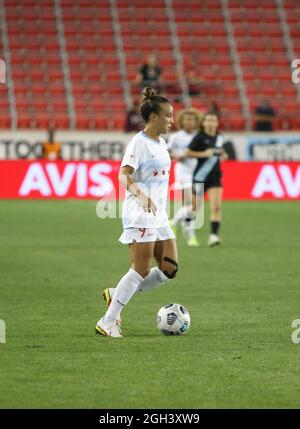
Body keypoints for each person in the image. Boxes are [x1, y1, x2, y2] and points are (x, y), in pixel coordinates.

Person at [95, 86, 178, 338]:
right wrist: (141, 195)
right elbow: (123, 174)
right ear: (154, 117)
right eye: (168, 116)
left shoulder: (161, 142)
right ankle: (108, 322)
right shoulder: (139, 143)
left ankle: (117, 292)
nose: (172, 121)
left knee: (169, 268)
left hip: (158, 214)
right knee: (140, 269)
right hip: (140, 213)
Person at [180, 113, 228, 246]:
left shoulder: (220, 137)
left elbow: (219, 151)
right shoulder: (199, 137)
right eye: (209, 120)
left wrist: (223, 154)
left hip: (215, 176)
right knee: (195, 208)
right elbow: (188, 152)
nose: (212, 122)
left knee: (217, 207)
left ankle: (213, 236)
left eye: (214, 119)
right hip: (200, 176)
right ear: (204, 123)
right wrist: (204, 154)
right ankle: (179, 220)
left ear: (217, 123)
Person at [167, 108, 202, 246]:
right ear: (182, 121)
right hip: (183, 172)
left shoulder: (199, 136)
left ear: (196, 122)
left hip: (197, 172)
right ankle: (191, 238)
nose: (189, 122)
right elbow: (166, 152)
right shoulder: (177, 136)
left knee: (194, 208)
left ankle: (174, 222)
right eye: (187, 119)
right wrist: (176, 156)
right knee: (191, 205)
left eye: (192, 119)